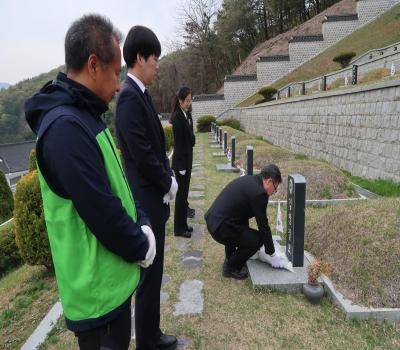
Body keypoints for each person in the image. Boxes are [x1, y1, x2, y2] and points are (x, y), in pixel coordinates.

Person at [24, 14, 156, 349]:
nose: (117, 84)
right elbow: (101, 209)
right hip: (97, 296)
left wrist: (141, 220)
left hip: (111, 284)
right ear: (93, 65)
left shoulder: (85, 115)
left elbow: (119, 185)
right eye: (115, 73)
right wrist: (142, 245)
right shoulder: (65, 127)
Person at [115, 26, 178, 350]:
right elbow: (141, 154)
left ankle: (152, 335)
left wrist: (168, 177)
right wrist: (167, 181)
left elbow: (156, 146)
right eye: (154, 58)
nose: (157, 65)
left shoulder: (141, 94)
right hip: (145, 201)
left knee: (154, 278)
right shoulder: (127, 98)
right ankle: (147, 343)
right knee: (148, 280)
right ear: (140, 57)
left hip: (155, 199)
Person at [204, 164, 286, 280]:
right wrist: (272, 253)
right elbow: (263, 225)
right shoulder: (259, 193)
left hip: (215, 221)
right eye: (275, 188)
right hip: (221, 227)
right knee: (257, 240)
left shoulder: (250, 180)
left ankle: (230, 257)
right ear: (269, 181)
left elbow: (241, 214)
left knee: (244, 232)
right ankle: (230, 267)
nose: (274, 191)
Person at [170, 87, 196, 238]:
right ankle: (178, 229)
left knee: (184, 195)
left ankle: (184, 225)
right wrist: (180, 166)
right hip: (181, 164)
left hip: (188, 160)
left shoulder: (187, 114)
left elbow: (191, 138)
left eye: (190, 100)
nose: (189, 103)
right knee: (180, 198)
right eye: (187, 101)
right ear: (180, 101)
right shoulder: (178, 117)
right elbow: (179, 144)